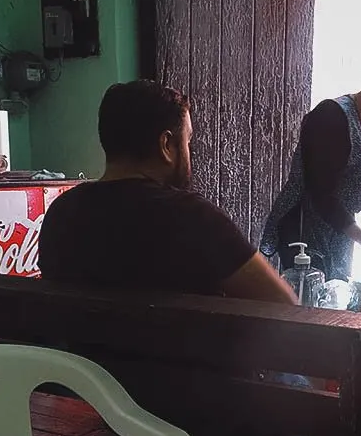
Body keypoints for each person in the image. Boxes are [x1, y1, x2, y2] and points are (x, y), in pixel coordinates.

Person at [39, 80, 297, 304]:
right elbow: (284, 305)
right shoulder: (194, 218)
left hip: (80, 362)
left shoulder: (61, 213)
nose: (190, 153)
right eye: (187, 142)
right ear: (166, 145)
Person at [260, 44, 361, 280]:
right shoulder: (332, 116)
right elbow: (321, 195)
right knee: (309, 302)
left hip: (342, 233)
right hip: (305, 233)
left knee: (336, 300)